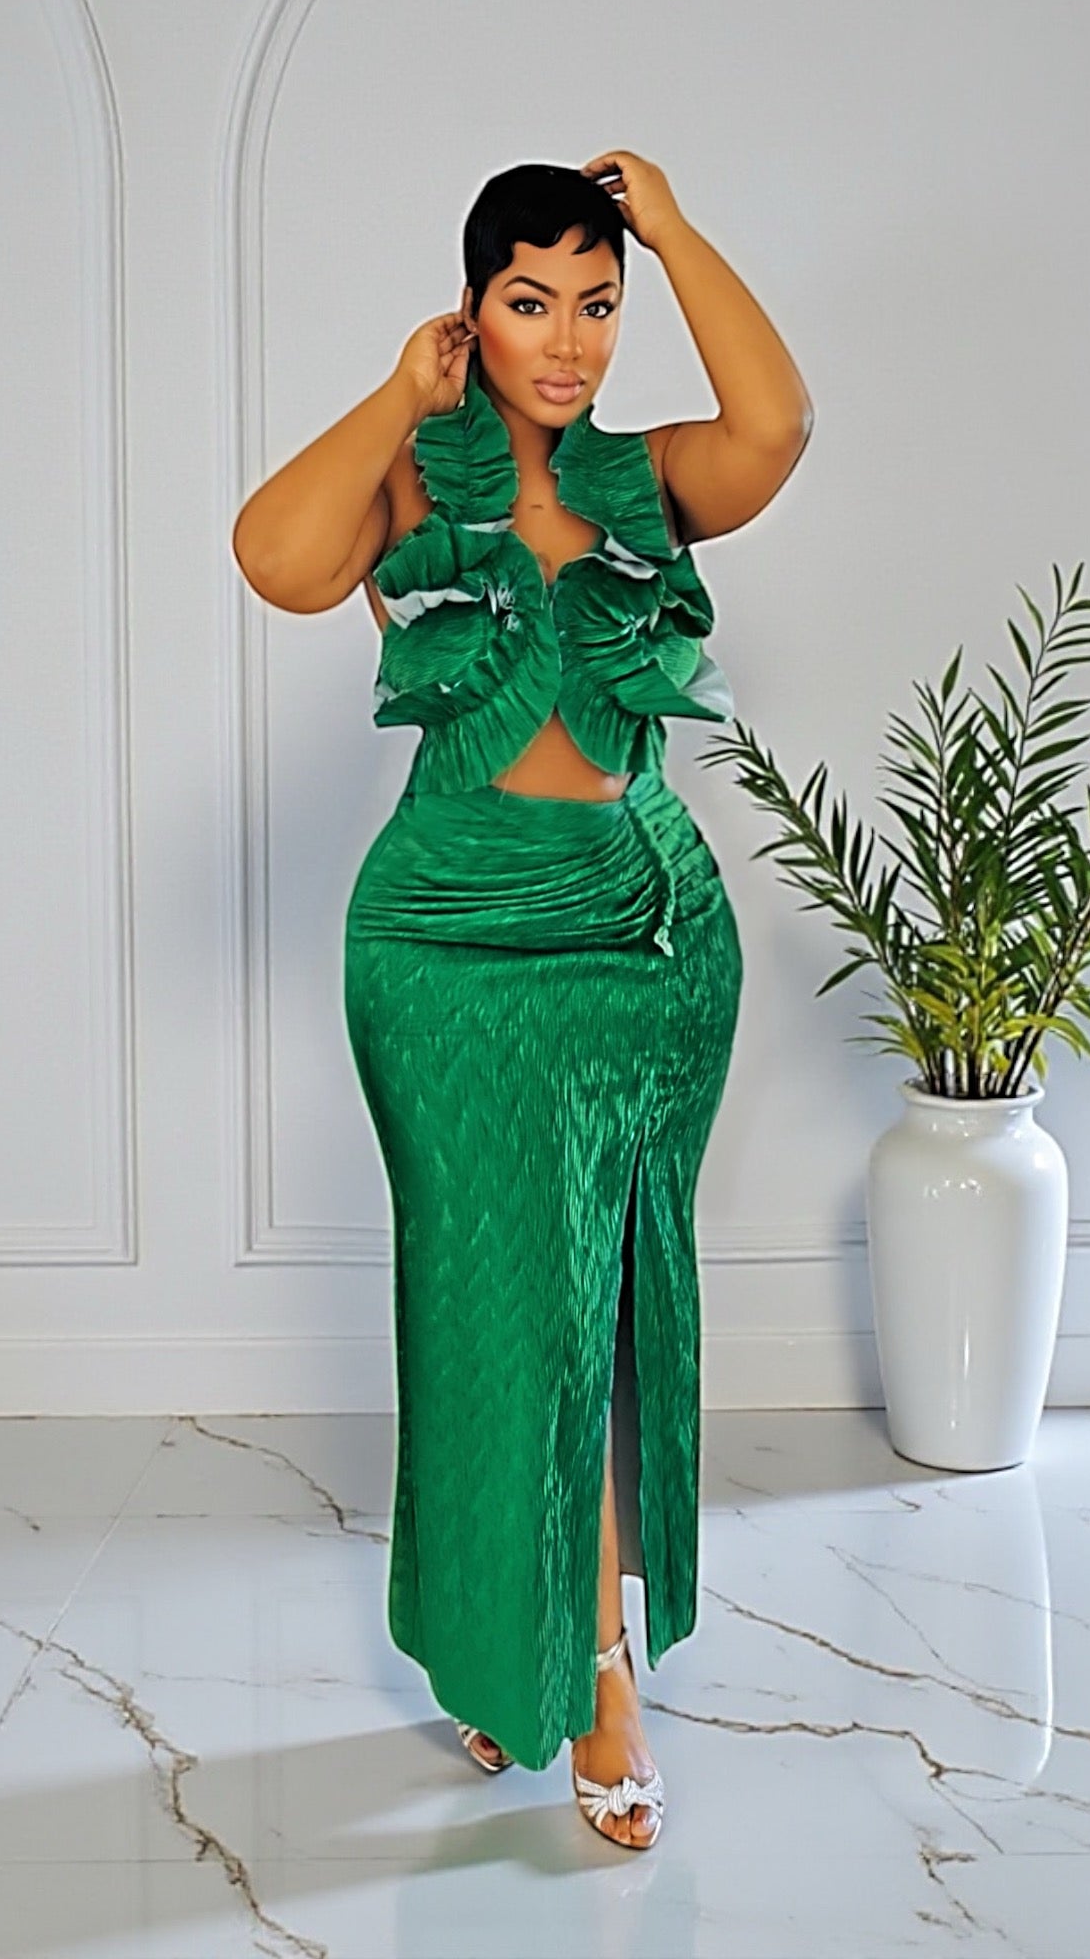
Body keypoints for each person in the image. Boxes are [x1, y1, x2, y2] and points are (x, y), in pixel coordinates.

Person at [232, 154, 813, 1849]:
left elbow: (774, 425)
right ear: (474, 308)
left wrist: (674, 230)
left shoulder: (650, 480)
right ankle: (543, 1661)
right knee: (495, 1319)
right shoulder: (412, 481)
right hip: (446, 951)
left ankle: (569, 1660)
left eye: (597, 304)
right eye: (531, 301)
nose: (567, 341)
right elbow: (273, 559)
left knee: (601, 1313)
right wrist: (391, 395)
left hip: (639, 938)